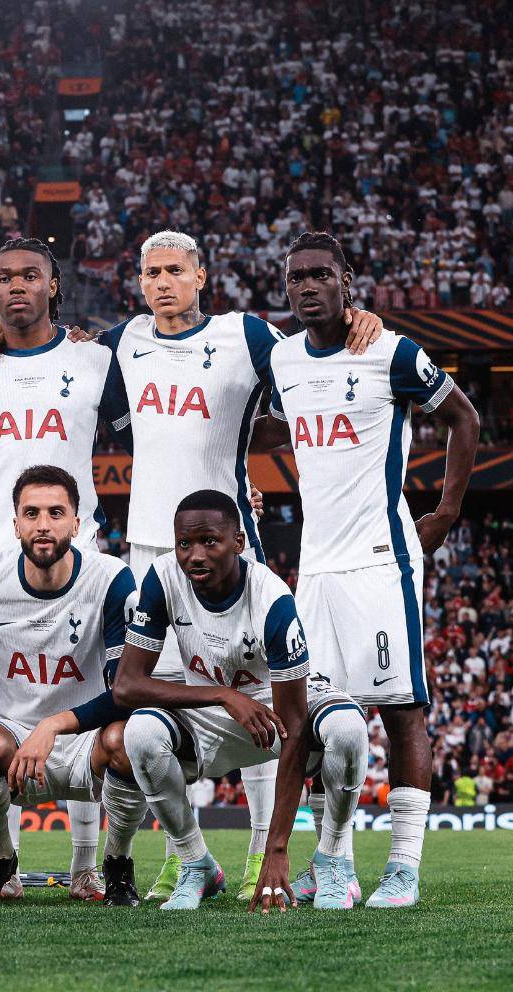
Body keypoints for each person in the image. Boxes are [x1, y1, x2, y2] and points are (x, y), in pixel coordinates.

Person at [0, 229, 385, 902]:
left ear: (201, 275)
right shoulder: (122, 342)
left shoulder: (245, 335)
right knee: (159, 713)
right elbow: (49, 347)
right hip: (148, 553)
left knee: (258, 704)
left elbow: (313, 360)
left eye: (174, 270)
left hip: (229, 549)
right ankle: (184, 857)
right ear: (140, 283)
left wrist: (355, 319)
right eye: (151, 273)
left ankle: (260, 855)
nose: (162, 282)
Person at [260, 231, 479, 908]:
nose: (308, 286)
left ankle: (404, 868)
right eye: (297, 277)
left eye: (321, 274)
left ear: (346, 281)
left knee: (402, 711)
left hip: (381, 562)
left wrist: (446, 511)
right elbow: (261, 420)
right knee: (318, 719)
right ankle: (336, 863)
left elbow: (464, 418)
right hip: (316, 570)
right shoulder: (283, 360)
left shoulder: (391, 351)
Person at [0, 238, 131, 899]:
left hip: (76, 558)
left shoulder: (95, 358)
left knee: (80, 698)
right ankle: (5, 864)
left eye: (32, 275)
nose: (18, 285)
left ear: (54, 285)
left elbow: (139, 436)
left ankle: (86, 865)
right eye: (5, 277)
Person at [114, 489, 369, 911]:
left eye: (209, 541)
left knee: (347, 727)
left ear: (238, 542)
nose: (195, 555)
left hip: (277, 707)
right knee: (140, 732)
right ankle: (195, 862)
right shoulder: (162, 578)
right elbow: (126, 685)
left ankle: (332, 860)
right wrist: (223, 694)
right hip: (212, 708)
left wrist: (276, 850)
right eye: (184, 543)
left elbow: (295, 727)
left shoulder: (272, 599)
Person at [0, 465, 144, 905]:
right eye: (31, 513)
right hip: (15, 734)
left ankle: (117, 863)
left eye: (55, 513)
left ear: (76, 524)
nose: (43, 524)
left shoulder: (111, 579)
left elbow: (125, 692)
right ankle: (0, 860)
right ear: (16, 525)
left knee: (132, 739)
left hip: (87, 737)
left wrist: (53, 725)